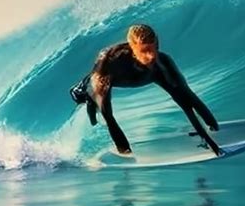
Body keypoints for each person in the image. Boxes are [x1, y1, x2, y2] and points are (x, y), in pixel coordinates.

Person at [70, 24, 222, 156]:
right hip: (103, 78)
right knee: (97, 107)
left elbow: (186, 103)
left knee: (186, 94)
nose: (151, 56)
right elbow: (108, 116)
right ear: (132, 47)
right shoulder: (109, 61)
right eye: (145, 50)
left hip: (143, 75)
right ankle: (95, 114)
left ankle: (213, 126)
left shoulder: (162, 63)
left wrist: (208, 138)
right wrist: (126, 154)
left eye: (154, 48)